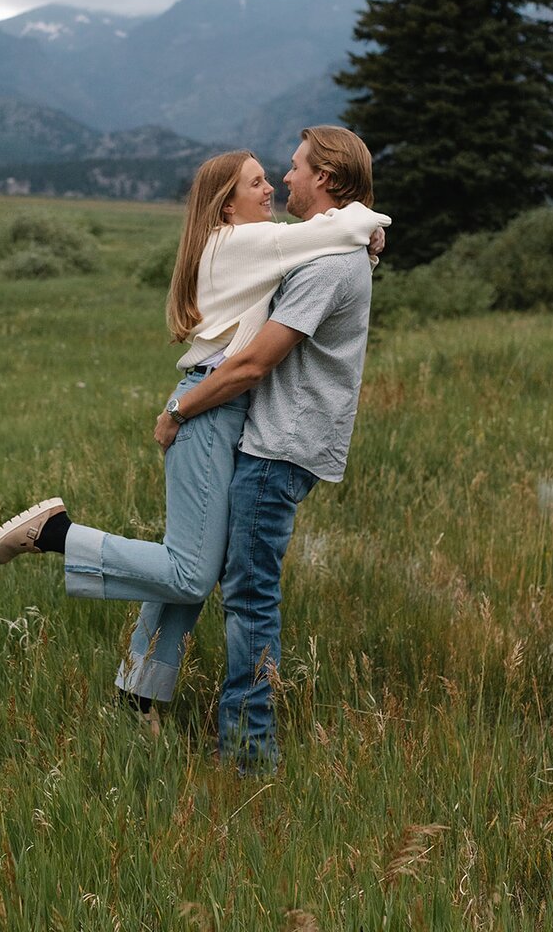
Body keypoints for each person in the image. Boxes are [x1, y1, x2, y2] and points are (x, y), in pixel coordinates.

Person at [0, 137, 389, 739]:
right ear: (226, 207)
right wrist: (178, 411)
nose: (275, 185)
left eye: (282, 173)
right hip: (209, 402)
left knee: (191, 560)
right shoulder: (242, 243)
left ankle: (139, 690)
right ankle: (56, 534)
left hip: (224, 407)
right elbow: (325, 238)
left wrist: (367, 243)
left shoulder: (257, 247)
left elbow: (328, 242)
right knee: (190, 573)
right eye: (257, 183)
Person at [151, 126, 381, 771]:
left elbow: (253, 365)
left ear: (327, 179)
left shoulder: (328, 265)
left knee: (248, 596)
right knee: (212, 574)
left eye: (296, 168)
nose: (285, 179)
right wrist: (368, 230)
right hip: (277, 440)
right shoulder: (335, 251)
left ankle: (249, 755)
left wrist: (177, 409)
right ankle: (144, 692)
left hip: (278, 447)